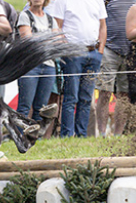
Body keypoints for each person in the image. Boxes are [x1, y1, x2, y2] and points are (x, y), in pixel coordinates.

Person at [52, 0, 106, 138]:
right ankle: (67, 134)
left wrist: (100, 51)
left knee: (86, 97)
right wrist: (67, 48)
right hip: (73, 53)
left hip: (93, 52)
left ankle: (81, 134)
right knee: (71, 96)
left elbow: (102, 26)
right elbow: (57, 27)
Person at [93, 0, 132, 137]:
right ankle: (102, 133)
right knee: (104, 92)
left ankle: (118, 134)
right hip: (110, 50)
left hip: (129, 52)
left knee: (124, 95)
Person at [15, 0, 58, 123]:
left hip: (48, 65)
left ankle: (36, 134)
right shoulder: (25, 16)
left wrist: (38, 38)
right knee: (24, 106)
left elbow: (57, 42)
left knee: (41, 108)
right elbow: (28, 41)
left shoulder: (51, 19)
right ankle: (19, 133)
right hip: (30, 66)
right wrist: (48, 40)